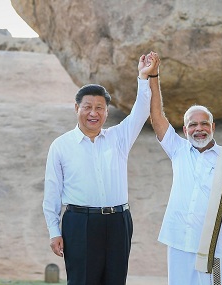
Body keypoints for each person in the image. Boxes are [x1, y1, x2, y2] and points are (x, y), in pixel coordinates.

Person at [43, 51, 160, 285]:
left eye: (100, 107)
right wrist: (54, 231)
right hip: (79, 223)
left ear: (107, 111)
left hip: (119, 222)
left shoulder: (119, 137)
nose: (93, 113)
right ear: (76, 108)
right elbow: (52, 192)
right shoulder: (61, 146)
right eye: (87, 107)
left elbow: (140, 111)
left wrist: (143, 77)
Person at [149, 68, 222, 284]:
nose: (199, 129)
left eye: (204, 123)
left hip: (215, 249)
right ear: (185, 130)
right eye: (193, 124)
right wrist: (153, 76)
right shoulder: (178, 150)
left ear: (213, 127)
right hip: (179, 244)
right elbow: (157, 116)